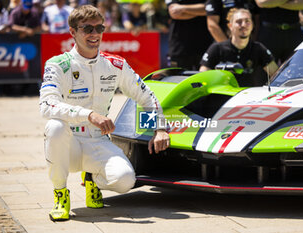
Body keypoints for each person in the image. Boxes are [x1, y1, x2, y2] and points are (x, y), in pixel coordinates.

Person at [39, 4, 170, 221]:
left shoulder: (115, 65)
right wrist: (89, 115)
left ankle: (91, 178)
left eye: (99, 28)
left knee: (126, 180)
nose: (94, 34)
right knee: (54, 126)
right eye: (87, 29)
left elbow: (147, 96)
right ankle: (61, 193)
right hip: (68, 142)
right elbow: (47, 105)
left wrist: (160, 127)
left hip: (97, 141)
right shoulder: (58, 64)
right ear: (72, 32)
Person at [199, 8, 278, 87]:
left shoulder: (258, 49)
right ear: (230, 26)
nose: (243, 25)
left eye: (247, 21)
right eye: (239, 22)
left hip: (248, 97)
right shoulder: (217, 49)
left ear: (252, 25)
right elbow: (202, 77)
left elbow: (276, 75)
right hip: (223, 97)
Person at [255, 0, 303, 65]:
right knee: (267, 71)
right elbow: (262, 2)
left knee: (297, 69)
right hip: (269, 33)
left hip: (294, 32)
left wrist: (272, 3)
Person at [166, 0, 213, 70]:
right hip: (179, 46)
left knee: (204, 80)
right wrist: (201, 11)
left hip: (205, 45)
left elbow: (210, 9)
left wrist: (182, 8)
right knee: (178, 79)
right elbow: (174, 13)